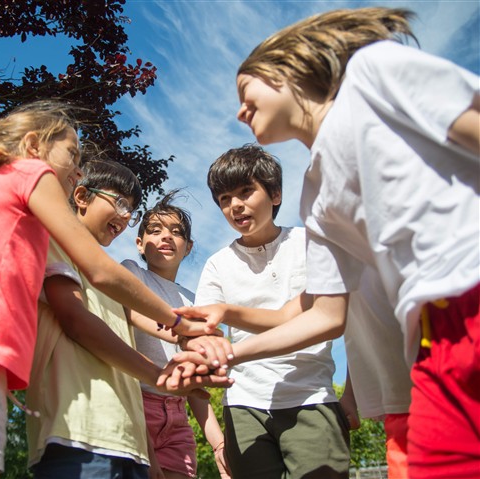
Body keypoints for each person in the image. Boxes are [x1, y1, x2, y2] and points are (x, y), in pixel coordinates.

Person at [171, 7, 479, 479]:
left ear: (284, 74)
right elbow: (325, 315)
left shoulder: (372, 75)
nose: (239, 111)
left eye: (245, 92)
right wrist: (224, 352)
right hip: (429, 334)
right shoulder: (316, 195)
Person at [0, 101, 223, 479]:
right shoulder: (29, 171)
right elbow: (99, 272)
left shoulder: (4, 203)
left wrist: (184, 336)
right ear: (33, 145)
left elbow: (127, 308)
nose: (77, 170)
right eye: (72, 154)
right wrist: (179, 324)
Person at [27, 162, 231, 479]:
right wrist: (168, 355)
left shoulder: (179, 297)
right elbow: (85, 319)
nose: (125, 216)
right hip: (81, 425)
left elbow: (140, 323)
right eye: (120, 203)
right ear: (80, 196)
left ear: (189, 246)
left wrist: (189, 335)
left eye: (131, 210)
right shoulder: (109, 270)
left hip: (131, 427)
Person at [194, 145, 350, 479]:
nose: (235, 205)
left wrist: (350, 392)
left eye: (245, 192)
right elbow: (203, 331)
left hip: (311, 394)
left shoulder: (311, 244)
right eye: (224, 199)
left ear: (275, 194)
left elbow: (334, 319)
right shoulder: (217, 264)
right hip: (244, 404)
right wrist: (198, 345)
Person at [122, 190, 231, 479]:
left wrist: (219, 444)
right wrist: (182, 333)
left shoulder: (194, 301)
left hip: (177, 415)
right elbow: (132, 311)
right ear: (139, 243)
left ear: (188, 247)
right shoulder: (133, 273)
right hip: (135, 403)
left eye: (176, 232)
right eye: (155, 230)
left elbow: (195, 387)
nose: (166, 237)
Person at [339, 267, 412, 479]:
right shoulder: (330, 255)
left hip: (450, 386)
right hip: (401, 405)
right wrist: (350, 394)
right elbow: (361, 337)